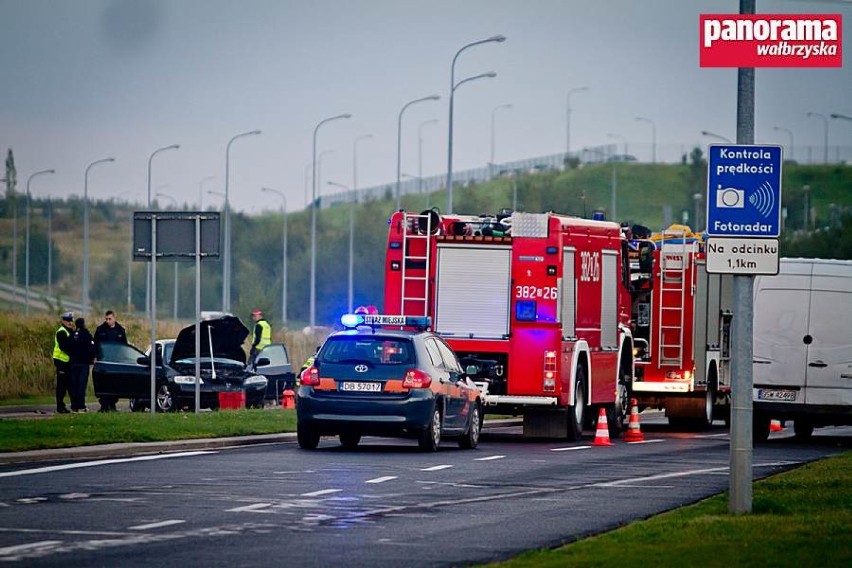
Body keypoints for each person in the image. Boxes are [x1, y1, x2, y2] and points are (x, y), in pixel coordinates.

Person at [70, 317, 96, 413]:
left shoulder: (73, 335)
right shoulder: (86, 335)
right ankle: (81, 405)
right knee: (81, 385)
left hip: (74, 363)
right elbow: (92, 348)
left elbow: (69, 346)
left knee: (74, 385)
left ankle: (74, 406)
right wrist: (91, 359)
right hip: (83, 363)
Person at [52, 312, 75, 414]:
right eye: (67, 321)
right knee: (61, 386)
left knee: (69, 384)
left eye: (71, 321)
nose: (70, 322)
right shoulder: (61, 332)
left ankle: (72, 405)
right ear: (63, 321)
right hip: (61, 361)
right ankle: (60, 407)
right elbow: (63, 347)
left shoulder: (70, 331)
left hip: (67, 362)